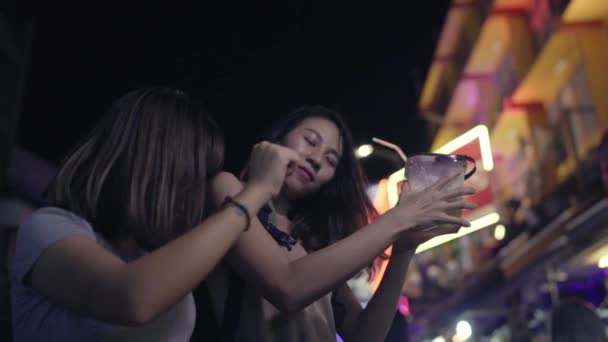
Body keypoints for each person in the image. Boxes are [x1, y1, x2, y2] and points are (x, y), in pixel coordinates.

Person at [10, 87, 300, 341]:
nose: (203, 189)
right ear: (160, 167)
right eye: (199, 174)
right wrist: (255, 192)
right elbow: (132, 298)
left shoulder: (157, 258)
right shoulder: (50, 229)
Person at [200, 106, 476, 341]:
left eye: (331, 159)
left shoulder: (312, 242)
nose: (317, 159)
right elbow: (286, 287)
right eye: (310, 141)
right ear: (279, 138)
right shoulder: (231, 191)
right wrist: (400, 217)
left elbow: (364, 335)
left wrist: (404, 247)